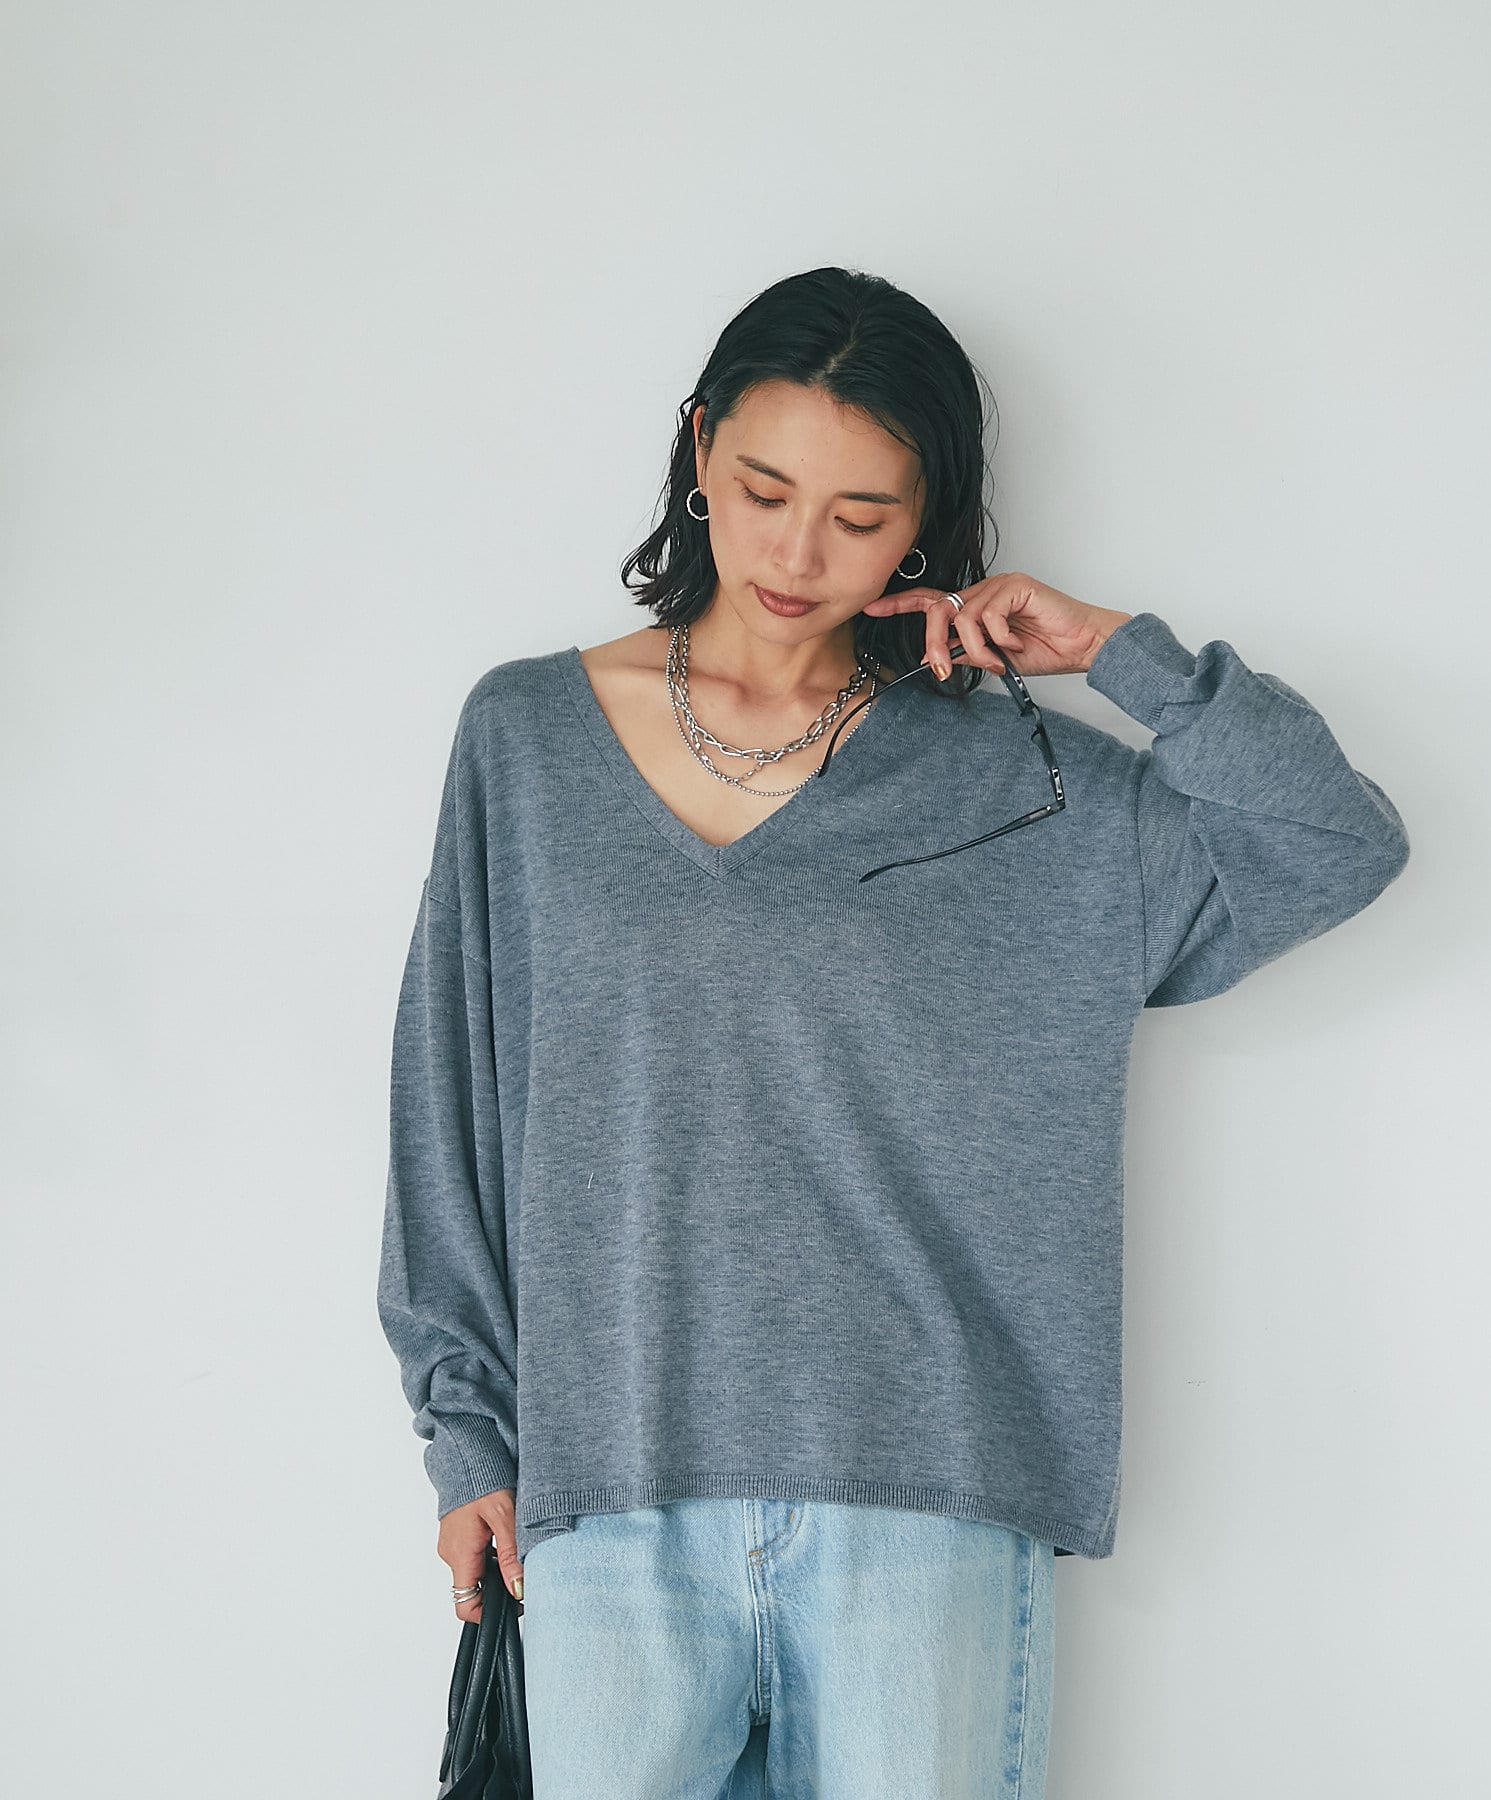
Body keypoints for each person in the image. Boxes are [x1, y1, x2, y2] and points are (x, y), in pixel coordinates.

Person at [377, 266, 1410, 1798]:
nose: (798, 554)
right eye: (763, 490)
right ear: (700, 448)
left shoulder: (1025, 786)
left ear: (926, 519)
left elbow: (1335, 845)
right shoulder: (524, 740)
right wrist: (467, 1434)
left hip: (928, 1505)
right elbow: (448, 1108)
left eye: (860, 516)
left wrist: (1114, 652)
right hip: (610, 1493)